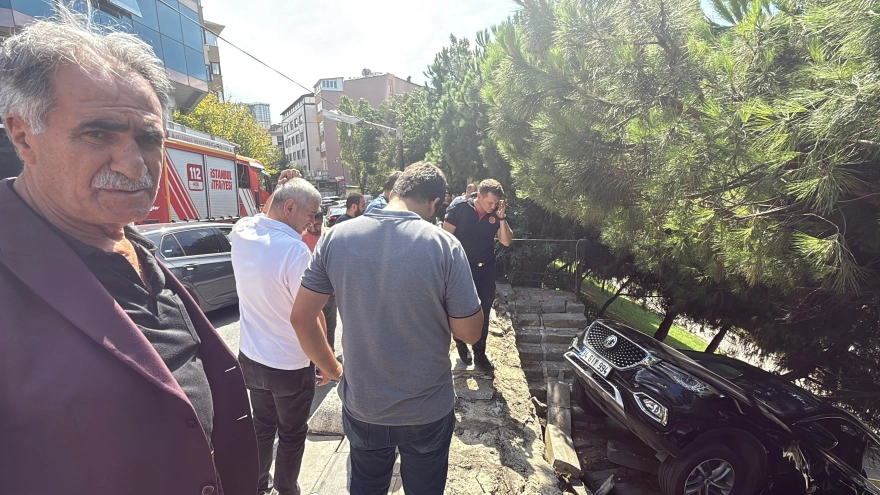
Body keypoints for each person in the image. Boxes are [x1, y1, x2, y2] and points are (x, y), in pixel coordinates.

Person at [0, 9, 258, 495]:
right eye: (98, 133)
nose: (134, 162)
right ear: (22, 136)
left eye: (148, 138)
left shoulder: (136, 245)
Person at [290, 162, 483, 495]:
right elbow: (469, 333)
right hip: (427, 409)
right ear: (435, 204)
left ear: (396, 191)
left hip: (365, 406)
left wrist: (333, 369)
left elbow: (301, 318)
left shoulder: (336, 237)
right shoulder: (444, 245)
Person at [232, 178, 326, 495]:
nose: (312, 222)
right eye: (310, 214)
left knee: (261, 427)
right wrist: (328, 364)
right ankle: (287, 489)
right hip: (290, 365)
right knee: (291, 433)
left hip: (251, 359)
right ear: (289, 207)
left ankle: (257, 485)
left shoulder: (242, 231)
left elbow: (261, 214)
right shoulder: (295, 252)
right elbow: (309, 317)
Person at [443, 179, 514, 371]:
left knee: (483, 312)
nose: (493, 206)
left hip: (486, 270)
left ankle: (480, 353)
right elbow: (444, 239)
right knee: (458, 308)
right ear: (479, 196)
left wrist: (502, 218)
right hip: (462, 270)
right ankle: (460, 343)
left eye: (496, 203)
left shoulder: (496, 215)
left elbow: (506, 242)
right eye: (489, 202)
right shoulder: (459, 209)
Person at [300, 210, 338, 354]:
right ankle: (315, 358)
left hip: (330, 293)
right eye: (313, 225)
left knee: (330, 325)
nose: (315, 228)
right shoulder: (301, 239)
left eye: (319, 224)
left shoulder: (328, 236)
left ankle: (331, 353)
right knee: (312, 325)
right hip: (310, 292)